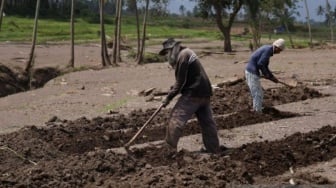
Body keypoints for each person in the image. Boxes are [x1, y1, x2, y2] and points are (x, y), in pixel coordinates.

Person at [158, 38, 220, 154]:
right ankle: (213, 149)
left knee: (176, 119)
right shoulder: (187, 53)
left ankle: (168, 151)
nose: (167, 56)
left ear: (173, 49)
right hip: (205, 92)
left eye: (167, 52)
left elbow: (180, 83)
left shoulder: (183, 56)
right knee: (207, 123)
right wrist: (173, 89)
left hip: (193, 94)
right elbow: (185, 79)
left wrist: (168, 98)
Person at [245, 38, 285, 112]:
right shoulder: (268, 51)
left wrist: (271, 77)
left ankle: (257, 110)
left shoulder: (267, 49)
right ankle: (257, 112)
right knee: (257, 93)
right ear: (276, 47)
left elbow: (265, 66)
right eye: (279, 50)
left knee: (259, 93)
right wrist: (267, 75)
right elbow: (261, 64)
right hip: (251, 72)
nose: (279, 53)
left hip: (253, 71)